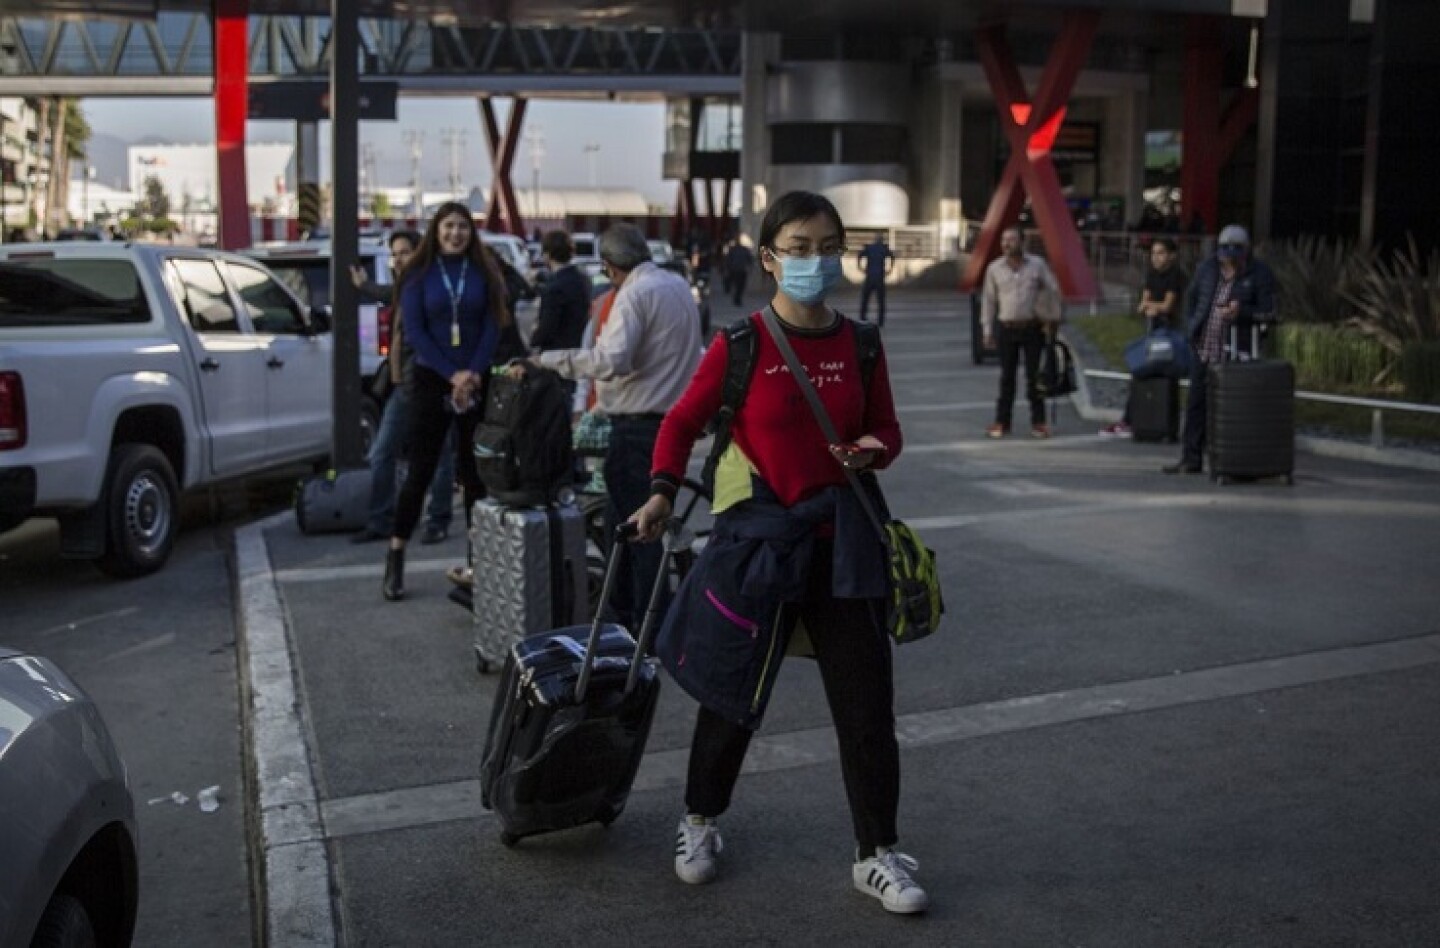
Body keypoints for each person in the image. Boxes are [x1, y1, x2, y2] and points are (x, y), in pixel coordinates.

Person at [631, 190, 929, 915]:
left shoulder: (861, 343)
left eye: (827, 245)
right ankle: (699, 821)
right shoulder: (739, 347)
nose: (815, 259)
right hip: (757, 545)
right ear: (769, 258)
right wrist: (662, 492)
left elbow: (887, 428)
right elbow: (681, 420)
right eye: (798, 247)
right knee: (731, 697)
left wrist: (872, 449)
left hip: (845, 548)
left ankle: (877, 853)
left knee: (866, 711)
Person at [511, 223, 701, 629]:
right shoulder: (677, 285)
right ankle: (622, 623)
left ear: (611, 268)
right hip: (670, 425)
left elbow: (611, 360)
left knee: (641, 536)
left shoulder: (633, 294)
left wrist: (546, 361)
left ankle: (648, 630)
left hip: (637, 428)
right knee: (629, 530)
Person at [382, 202, 512, 601]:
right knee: (421, 469)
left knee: (475, 473)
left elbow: (493, 327)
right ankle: (396, 555)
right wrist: (451, 374)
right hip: (432, 379)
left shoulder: (483, 272)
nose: (456, 233)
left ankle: (479, 562)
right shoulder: (418, 275)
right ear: (436, 232)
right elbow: (416, 332)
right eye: (448, 226)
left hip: (475, 378)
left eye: (462, 227)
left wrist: (472, 373)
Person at [348, 229, 456, 545]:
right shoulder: (408, 285)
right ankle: (381, 519)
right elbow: (389, 293)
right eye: (394, 254)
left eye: (404, 252)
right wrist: (363, 285)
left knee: (438, 455)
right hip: (403, 385)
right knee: (383, 453)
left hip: (431, 383)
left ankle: (438, 519)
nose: (398, 259)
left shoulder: (430, 286)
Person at [1164, 223, 1277, 474]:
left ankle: (1229, 459)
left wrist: (1242, 313)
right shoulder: (1207, 269)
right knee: (1195, 404)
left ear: (1246, 252)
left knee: (1230, 407)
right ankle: (1191, 458)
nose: (1229, 259)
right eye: (1225, 253)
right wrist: (1191, 327)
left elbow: (1268, 312)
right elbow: (1192, 298)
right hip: (1205, 347)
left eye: (1235, 253)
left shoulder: (1259, 274)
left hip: (1237, 350)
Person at [1100, 237, 1187, 439]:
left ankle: (1157, 422)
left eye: (1161, 253)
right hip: (1153, 330)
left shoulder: (1176, 276)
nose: (1156, 258)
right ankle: (1133, 419)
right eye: (1154, 253)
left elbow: (1167, 306)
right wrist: (1152, 307)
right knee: (1141, 370)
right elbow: (1143, 304)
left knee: (1165, 373)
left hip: (1171, 332)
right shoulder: (1152, 275)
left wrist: (1153, 307)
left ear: (1172, 255)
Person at [981, 226, 1062, 439]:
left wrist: (1050, 315)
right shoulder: (994, 268)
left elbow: (1053, 289)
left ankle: (1039, 422)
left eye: (1011, 240)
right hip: (1006, 328)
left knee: (1034, 377)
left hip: (1032, 328)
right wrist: (987, 329)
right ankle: (1002, 422)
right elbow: (988, 301)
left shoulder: (1037, 265)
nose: (1007, 244)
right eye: (1004, 240)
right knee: (1006, 378)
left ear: (1022, 242)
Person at [529, 229, 590, 353]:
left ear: (547, 255)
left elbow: (548, 327)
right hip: (579, 349)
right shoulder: (581, 280)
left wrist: (533, 339)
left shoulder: (553, 288)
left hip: (556, 353)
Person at [856, 234, 895, 326]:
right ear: (882, 240)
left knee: (865, 299)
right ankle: (880, 322)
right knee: (881, 301)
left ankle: (863, 318)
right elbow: (892, 257)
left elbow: (859, 255)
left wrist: (860, 267)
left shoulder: (870, 248)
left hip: (870, 277)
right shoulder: (884, 248)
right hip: (879, 278)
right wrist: (890, 269)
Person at [722, 237, 755, 307]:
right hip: (738, 270)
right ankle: (737, 299)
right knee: (739, 286)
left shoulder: (735, 249)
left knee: (739, 286)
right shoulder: (739, 249)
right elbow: (750, 259)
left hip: (737, 269)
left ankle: (737, 298)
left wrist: (727, 268)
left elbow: (749, 259)